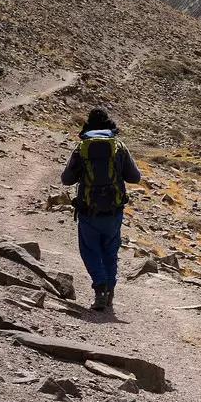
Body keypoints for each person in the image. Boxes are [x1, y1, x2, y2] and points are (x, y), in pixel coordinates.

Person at [59, 108, 141, 313]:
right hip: (114, 212)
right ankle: (109, 292)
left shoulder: (82, 147)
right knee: (110, 252)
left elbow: (66, 179)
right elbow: (135, 178)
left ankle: (100, 288)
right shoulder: (119, 147)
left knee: (90, 250)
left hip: (88, 211)